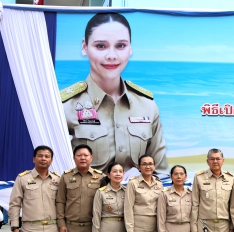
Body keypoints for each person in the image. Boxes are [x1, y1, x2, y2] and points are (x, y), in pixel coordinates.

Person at [59, 12, 168, 175]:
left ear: (130, 48)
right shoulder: (64, 107)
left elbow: (160, 174)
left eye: (121, 46)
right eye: (101, 46)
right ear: (84, 46)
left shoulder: (146, 105)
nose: (111, 56)